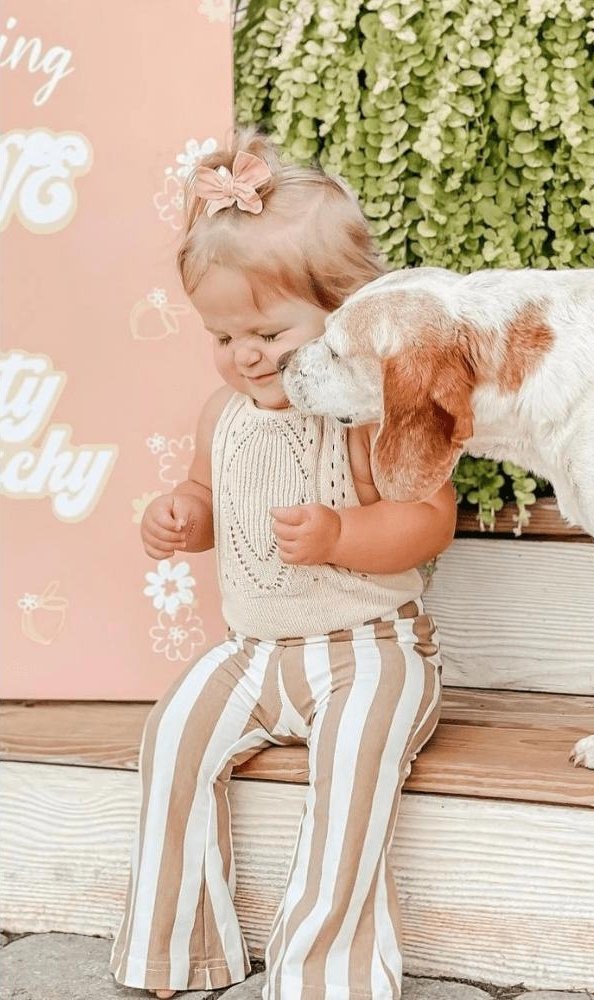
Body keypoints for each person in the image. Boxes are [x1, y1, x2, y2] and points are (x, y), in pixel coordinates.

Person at [109, 129, 456, 1000]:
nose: (245, 355)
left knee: (352, 772)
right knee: (173, 736)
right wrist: (181, 518)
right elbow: (206, 499)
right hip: (257, 649)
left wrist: (343, 535)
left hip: (370, 650)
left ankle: (321, 976)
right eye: (223, 335)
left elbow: (428, 519)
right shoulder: (221, 415)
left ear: (343, 312)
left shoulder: (371, 413)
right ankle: (176, 949)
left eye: (268, 331)